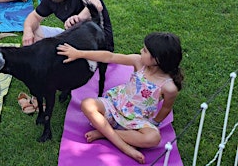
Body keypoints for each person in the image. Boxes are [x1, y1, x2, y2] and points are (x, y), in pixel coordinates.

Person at [56, 32, 184, 163]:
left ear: (157, 60)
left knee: (154, 138)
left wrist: (154, 123)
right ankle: (126, 147)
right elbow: (110, 57)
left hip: (137, 120)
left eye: (145, 50)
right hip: (115, 105)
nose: (141, 51)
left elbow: (166, 108)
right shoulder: (139, 62)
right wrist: (79, 53)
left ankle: (103, 133)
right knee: (87, 104)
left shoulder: (169, 87)